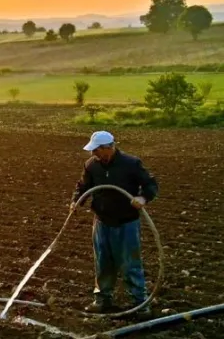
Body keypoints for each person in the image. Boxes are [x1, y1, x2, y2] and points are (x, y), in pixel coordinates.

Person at [71, 131, 158, 317]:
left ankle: (140, 303)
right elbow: (83, 186)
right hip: (102, 221)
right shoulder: (91, 165)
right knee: (102, 261)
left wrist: (142, 197)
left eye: (96, 150)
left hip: (126, 221)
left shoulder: (131, 164)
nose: (93, 154)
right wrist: (76, 200)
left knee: (130, 263)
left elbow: (150, 184)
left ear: (108, 148)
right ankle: (102, 299)